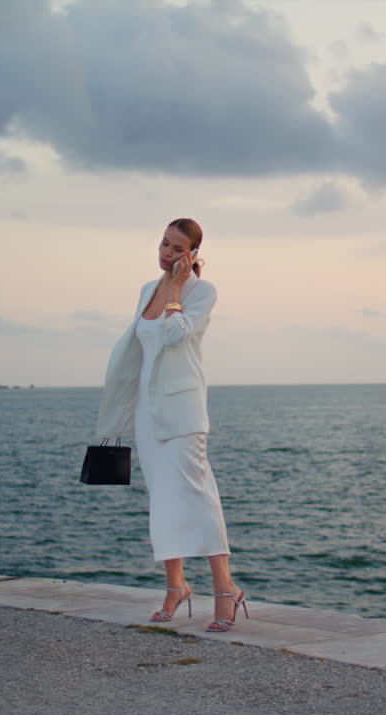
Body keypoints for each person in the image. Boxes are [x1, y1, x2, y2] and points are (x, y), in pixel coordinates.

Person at [93, 218, 247, 632]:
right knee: (162, 499)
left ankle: (225, 588)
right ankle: (176, 586)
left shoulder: (203, 292)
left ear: (193, 254)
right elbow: (142, 349)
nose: (166, 253)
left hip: (184, 412)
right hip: (147, 411)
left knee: (198, 495)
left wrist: (177, 289)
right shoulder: (147, 289)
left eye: (176, 248)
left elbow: (177, 336)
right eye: (163, 243)